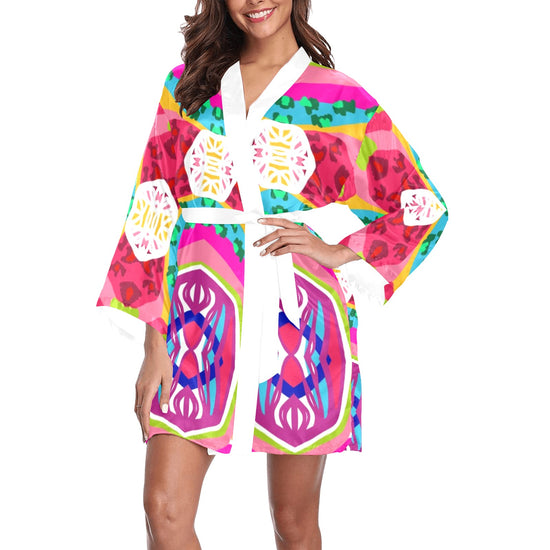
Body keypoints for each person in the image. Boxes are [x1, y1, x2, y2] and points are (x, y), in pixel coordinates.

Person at [97, 0, 448, 548]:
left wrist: (338, 250)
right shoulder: (187, 86)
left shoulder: (340, 99)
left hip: (301, 327)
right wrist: (153, 340)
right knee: (164, 510)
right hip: (197, 321)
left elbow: (421, 205)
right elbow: (154, 204)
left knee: (292, 521)